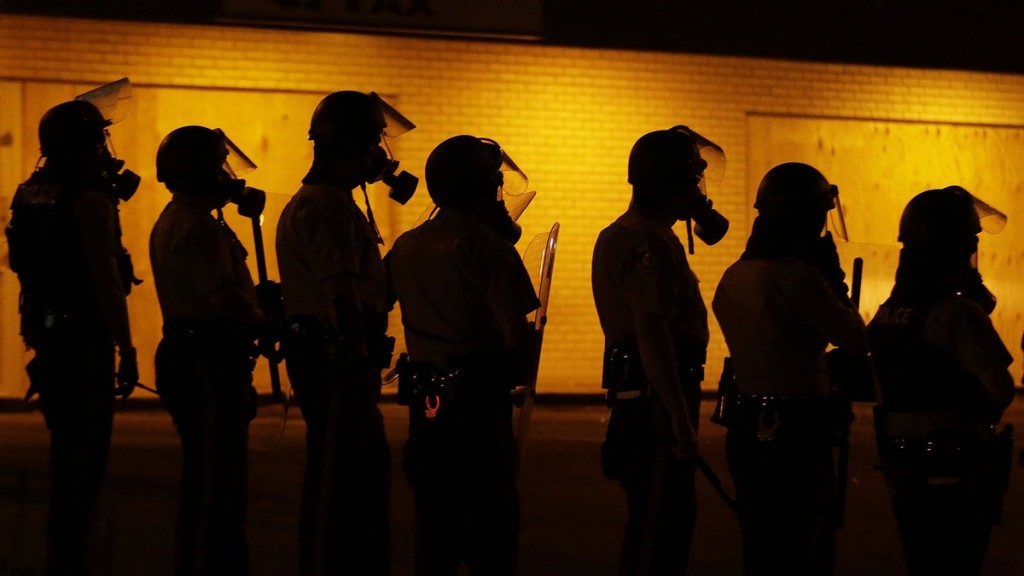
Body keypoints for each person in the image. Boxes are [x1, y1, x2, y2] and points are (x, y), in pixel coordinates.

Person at [276, 90, 416, 576]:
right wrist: (359, 353)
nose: (382, 155)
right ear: (356, 144)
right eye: (377, 141)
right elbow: (339, 292)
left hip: (326, 356)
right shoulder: (329, 208)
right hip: (335, 362)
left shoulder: (320, 202)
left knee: (349, 472)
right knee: (346, 477)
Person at [388, 135, 540, 576]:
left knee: (435, 530)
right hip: (477, 407)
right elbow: (515, 333)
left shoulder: (407, 245)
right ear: (482, 187)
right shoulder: (488, 249)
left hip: (427, 404)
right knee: (491, 531)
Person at [5, 96, 140, 576]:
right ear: (86, 143)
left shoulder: (32, 192)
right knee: (87, 449)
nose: (107, 146)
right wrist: (127, 346)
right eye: (100, 137)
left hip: (46, 333)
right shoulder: (90, 198)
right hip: (85, 336)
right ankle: (72, 545)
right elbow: (106, 277)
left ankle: (61, 542)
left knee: (65, 445)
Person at [711, 162, 865, 576]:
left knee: (760, 544)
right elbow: (854, 336)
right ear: (807, 219)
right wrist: (834, 282)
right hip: (799, 430)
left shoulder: (733, 277)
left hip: (746, 425)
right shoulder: (801, 279)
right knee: (804, 546)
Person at [592, 126, 729, 576]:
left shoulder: (630, 233)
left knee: (662, 521)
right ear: (675, 183)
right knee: (660, 528)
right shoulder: (648, 241)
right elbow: (651, 332)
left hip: (648, 396)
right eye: (693, 179)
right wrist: (678, 418)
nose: (698, 191)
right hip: (656, 402)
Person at [867, 186, 1014, 576]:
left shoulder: (889, 312)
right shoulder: (957, 312)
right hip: (956, 463)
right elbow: (998, 389)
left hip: (904, 462)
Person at [150, 125, 266, 576]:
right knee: (215, 478)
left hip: (198, 354)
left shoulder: (181, 218)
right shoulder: (195, 226)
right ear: (202, 173)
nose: (227, 176)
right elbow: (222, 301)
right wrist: (266, 321)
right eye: (218, 166)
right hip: (206, 359)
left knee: (215, 473)